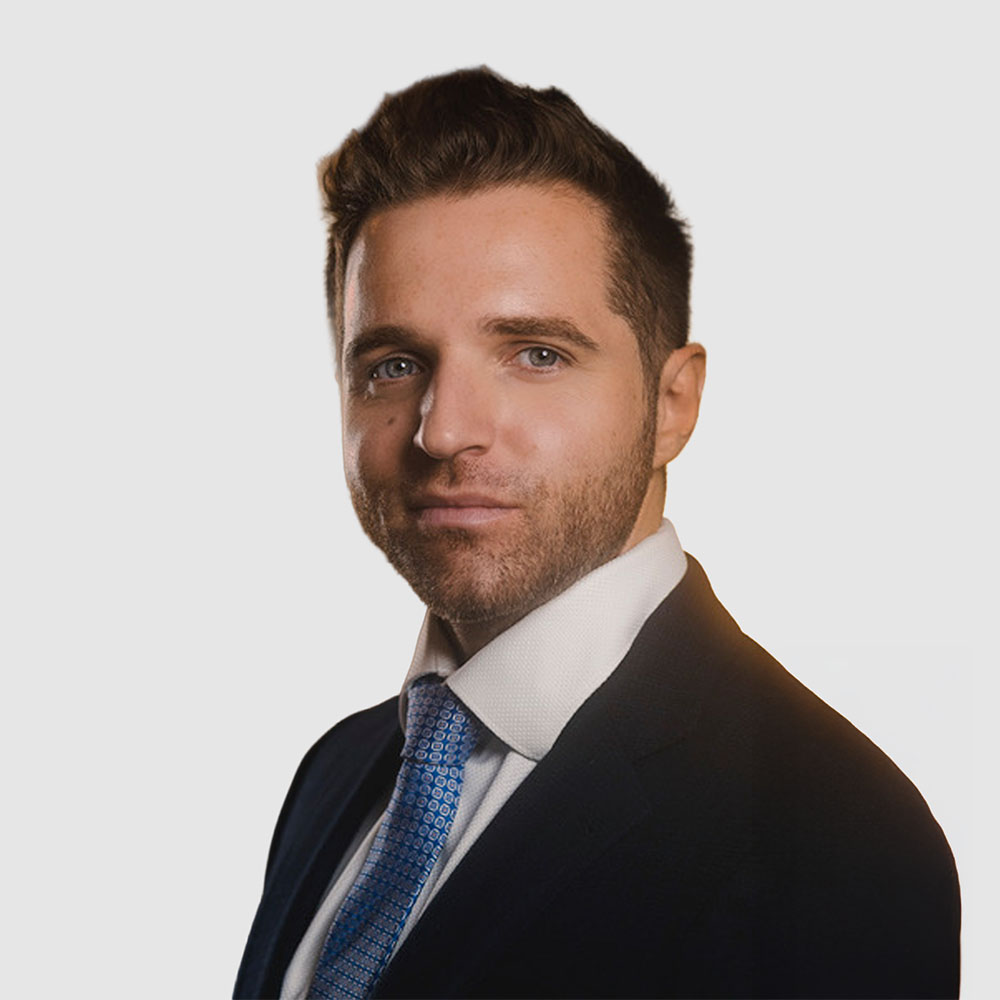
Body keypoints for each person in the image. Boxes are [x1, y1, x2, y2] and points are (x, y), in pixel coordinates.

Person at [234, 68, 959, 1000]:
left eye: (536, 354)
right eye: (394, 364)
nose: (444, 430)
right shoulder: (337, 774)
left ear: (672, 403)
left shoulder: (833, 842)